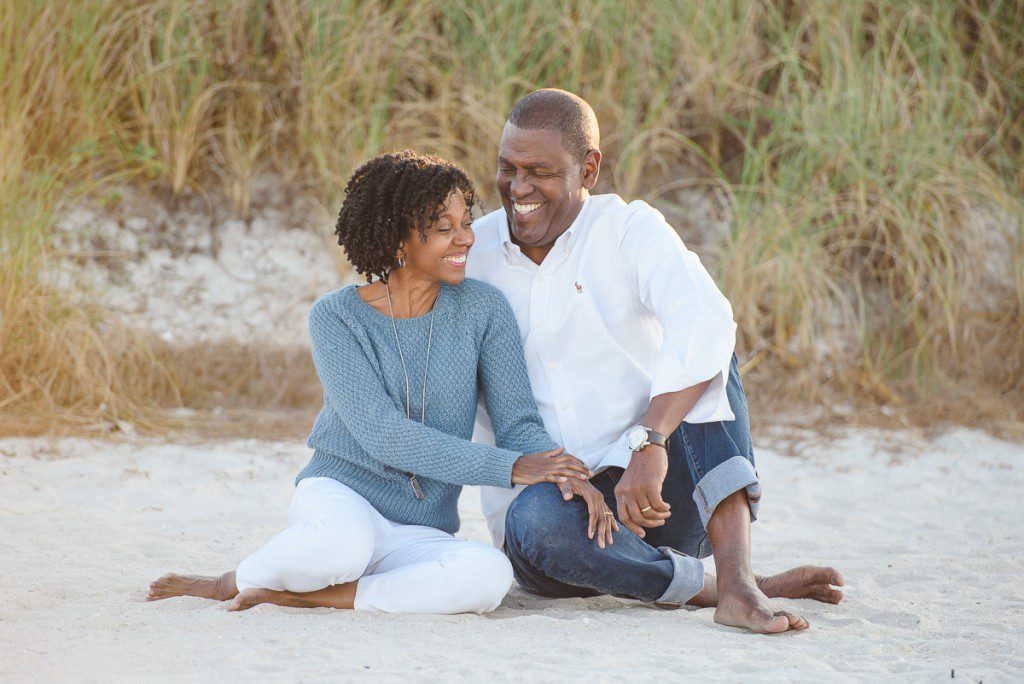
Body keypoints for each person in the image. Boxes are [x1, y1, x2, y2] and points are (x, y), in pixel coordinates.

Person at [146, 150, 604, 614]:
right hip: (343, 499)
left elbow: (518, 423)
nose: (465, 239)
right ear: (398, 240)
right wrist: (512, 467)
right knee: (339, 549)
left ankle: (308, 597)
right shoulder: (337, 318)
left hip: (420, 528)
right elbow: (385, 434)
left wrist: (563, 471)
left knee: (489, 574)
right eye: (444, 229)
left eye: (466, 222)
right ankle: (232, 580)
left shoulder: (483, 310)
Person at [467, 89, 845, 633]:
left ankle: (738, 581)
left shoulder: (625, 228)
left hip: (656, 495)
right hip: (553, 522)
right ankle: (721, 589)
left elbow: (704, 316)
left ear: (589, 169)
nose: (518, 188)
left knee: (712, 342)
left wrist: (651, 441)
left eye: (540, 171)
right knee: (538, 525)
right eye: (507, 168)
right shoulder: (471, 254)